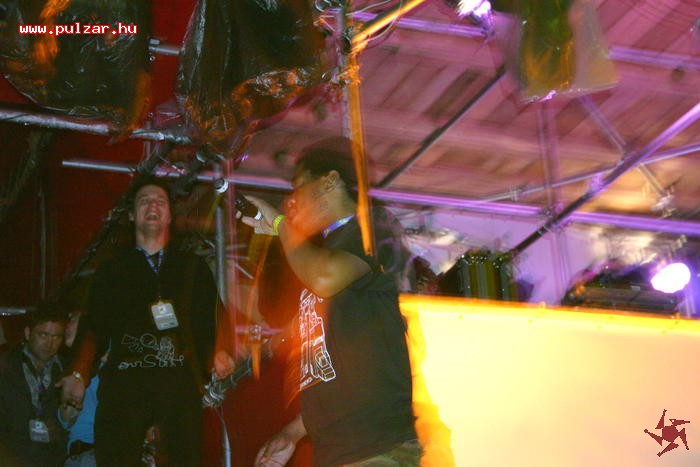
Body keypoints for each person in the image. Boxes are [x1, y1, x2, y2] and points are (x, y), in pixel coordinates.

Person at [240, 137, 420, 466]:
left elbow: (325, 278)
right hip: (339, 452)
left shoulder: (372, 228)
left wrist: (281, 225)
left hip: (376, 449)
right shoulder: (328, 250)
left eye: (298, 186)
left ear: (330, 180)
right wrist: (293, 432)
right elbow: (337, 368)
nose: (291, 200)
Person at [57, 176, 220, 466]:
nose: (152, 205)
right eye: (144, 201)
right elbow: (93, 327)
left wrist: (220, 353)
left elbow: (213, 320)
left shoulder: (193, 268)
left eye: (160, 201)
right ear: (132, 215)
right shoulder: (111, 270)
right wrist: (79, 372)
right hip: (125, 385)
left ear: (170, 215)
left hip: (178, 386)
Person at [0, 302, 75, 466]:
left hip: (55, 458)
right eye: (43, 335)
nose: (49, 344)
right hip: (12, 456)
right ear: (28, 333)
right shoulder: (5, 368)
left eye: (56, 337)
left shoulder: (68, 371)